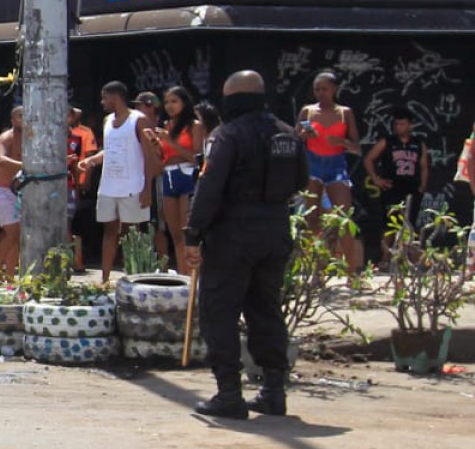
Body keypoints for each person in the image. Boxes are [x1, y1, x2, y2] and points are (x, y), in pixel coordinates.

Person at [184, 70, 308, 420]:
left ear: (234, 100)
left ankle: (229, 394)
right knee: (265, 309)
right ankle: (273, 391)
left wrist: (193, 233)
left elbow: (209, 189)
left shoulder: (228, 135)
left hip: (233, 235)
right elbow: (300, 179)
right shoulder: (288, 133)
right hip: (275, 228)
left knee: (218, 310)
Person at [79, 81, 161, 284]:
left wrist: (147, 188)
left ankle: (132, 277)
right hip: (108, 186)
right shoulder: (107, 121)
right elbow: (111, 149)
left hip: (133, 186)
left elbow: (150, 156)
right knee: (109, 231)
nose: (102, 102)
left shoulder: (139, 120)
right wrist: (92, 160)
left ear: (115, 97)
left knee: (131, 233)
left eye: (104, 97)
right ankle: (105, 279)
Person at [297, 70, 364, 274]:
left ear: (334, 89)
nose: (320, 93)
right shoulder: (307, 112)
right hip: (313, 165)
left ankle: (352, 273)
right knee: (312, 220)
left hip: (336, 166)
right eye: (317, 89)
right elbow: (295, 139)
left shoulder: (345, 112)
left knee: (343, 218)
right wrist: (304, 134)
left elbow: (357, 148)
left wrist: (342, 142)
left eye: (324, 89)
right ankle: (315, 270)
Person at [363, 107, 431, 263]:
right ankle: (386, 259)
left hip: (412, 189)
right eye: (396, 124)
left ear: (410, 126)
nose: (398, 127)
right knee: (389, 225)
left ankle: (410, 260)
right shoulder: (387, 141)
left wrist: (422, 186)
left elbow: (424, 166)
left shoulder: (418, 143)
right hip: (392, 188)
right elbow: (368, 158)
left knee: (410, 225)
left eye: (402, 124)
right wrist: (376, 179)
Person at [156, 87, 208, 276]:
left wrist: (169, 141)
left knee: (188, 231)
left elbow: (196, 157)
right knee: (175, 233)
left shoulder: (194, 125)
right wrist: (156, 143)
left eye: (174, 101)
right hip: (169, 176)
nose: (169, 106)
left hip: (187, 175)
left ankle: (195, 277)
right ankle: (184, 277)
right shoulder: (165, 125)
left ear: (184, 103)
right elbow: (162, 156)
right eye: (167, 101)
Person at [0, 107, 25, 279]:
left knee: (16, 235)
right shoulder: (5, 138)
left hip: (18, 192)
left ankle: (10, 276)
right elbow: (0, 159)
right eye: (20, 116)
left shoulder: (31, 138)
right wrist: (25, 165)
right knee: (12, 232)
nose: (24, 119)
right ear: (12, 120)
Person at [66, 106, 101, 270]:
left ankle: (78, 259)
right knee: (68, 225)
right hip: (65, 184)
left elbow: (88, 158)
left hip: (76, 183)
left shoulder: (83, 133)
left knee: (78, 224)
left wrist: (84, 182)